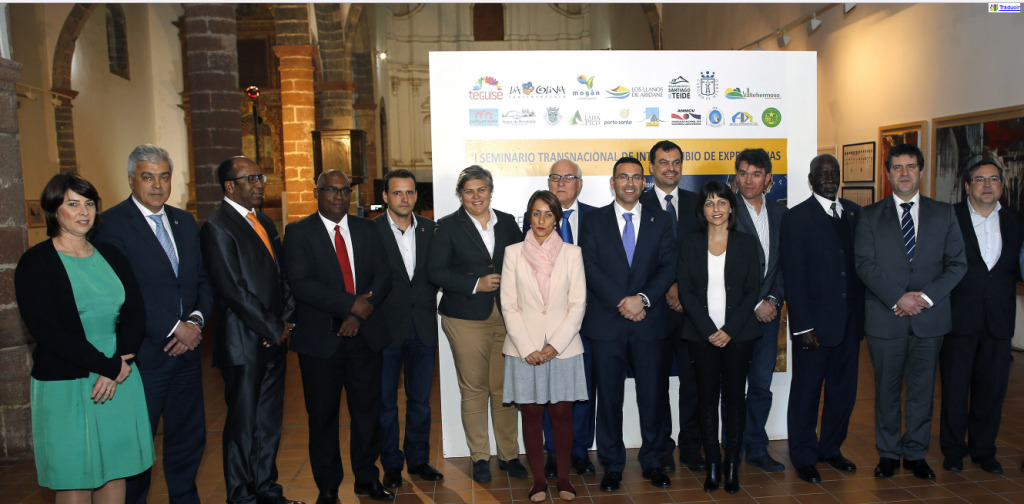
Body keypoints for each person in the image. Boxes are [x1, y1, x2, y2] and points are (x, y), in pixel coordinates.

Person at [15, 173, 154, 504]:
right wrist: (105, 366)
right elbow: (48, 332)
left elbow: (135, 314)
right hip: (67, 381)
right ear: (54, 210)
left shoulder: (111, 254)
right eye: (73, 204)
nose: (83, 212)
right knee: (75, 476)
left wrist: (118, 362)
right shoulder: (36, 262)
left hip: (119, 377)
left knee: (116, 470)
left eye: (89, 204)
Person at [94, 144, 213, 504]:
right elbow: (124, 291)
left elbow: (201, 278)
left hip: (187, 352)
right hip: (144, 356)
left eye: (164, 176)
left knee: (188, 437)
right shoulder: (111, 225)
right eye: (148, 177)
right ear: (131, 179)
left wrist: (194, 322)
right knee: (137, 443)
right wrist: (173, 327)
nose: (157, 185)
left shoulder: (184, 221)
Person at [855, 143, 966, 480]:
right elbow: (864, 264)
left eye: (910, 166)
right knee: (886, 392)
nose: (904, 173)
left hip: (929, 320)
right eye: (897, 167)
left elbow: (957, 264)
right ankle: (888, 453)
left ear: (921, 171)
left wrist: (925, 298)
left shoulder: (944, 213)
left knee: (922, 392)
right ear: (888, 173)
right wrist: (898, 298)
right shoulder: (870, 216)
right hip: (886, 318)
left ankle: (916, 453)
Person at [284, 169, 394, 502]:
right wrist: (350, 305)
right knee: (322, 418)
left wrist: (358, 315)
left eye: (345, 190)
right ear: (316, 192)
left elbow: (383, 275)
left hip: (365, 339)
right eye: (331, 190)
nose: (338, 196)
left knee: (367, 414)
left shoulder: (367, 229)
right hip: (320, 343)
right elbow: (301, 283)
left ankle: (366, 478)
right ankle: (328, 487)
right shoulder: (298, 232)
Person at [201, 156, 300, 504]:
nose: (259, 184)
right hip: (243, 343)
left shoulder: (264, 221)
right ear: (229, 186)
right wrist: (272, 327)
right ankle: (241, 495)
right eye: (251, 179)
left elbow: (282, 276)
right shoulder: (217, 227)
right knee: (243, 424)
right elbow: (234, 289)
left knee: (268, 421)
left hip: (274, 338)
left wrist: (286, 321)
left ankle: (266, 488)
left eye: (260, 177)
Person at [579, 156, 676, 492]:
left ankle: (654, 461)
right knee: (608, 399)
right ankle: (612, 465)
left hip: (650, 323)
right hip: (607, 325)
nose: (630, 183)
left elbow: (668, 265)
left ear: (644, 183)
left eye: (636, 177)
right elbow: (589, 266)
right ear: (613, 182)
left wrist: (643, 300)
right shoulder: (593, 221)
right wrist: (623, 302)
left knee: (653, 396)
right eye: (623, 177)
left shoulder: (661, 220)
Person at [428, 165, 526, 483]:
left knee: (504, 390)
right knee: (474, 390)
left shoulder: (508, 222)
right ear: (460, 195)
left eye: (481, 189)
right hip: (465, 318)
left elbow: (522, 262)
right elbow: (436, 272)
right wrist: (475, 284)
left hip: (506, 317)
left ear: (490, 191)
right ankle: (480, 457)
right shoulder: (446, 227)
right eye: (468, 191)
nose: (476, 196)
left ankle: (509, 455)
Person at [779, 154, 864, 484]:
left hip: (849, 324)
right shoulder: (797, 217)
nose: (830, 179)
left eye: (834, 173)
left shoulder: (854, 213)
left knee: (843, 393)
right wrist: (802, 326)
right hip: (812, 327)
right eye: (823, 174)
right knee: (806, 393)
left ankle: (831, 448)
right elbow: (794, 275)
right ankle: (803, 455)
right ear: (811, 180)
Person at [502, 190, 588, 503]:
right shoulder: (513, 253)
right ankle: (539, 481)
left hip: (563, 347)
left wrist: (554, 345)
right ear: (529, 216)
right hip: (524, 348)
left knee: (562, 413)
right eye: (536, 213)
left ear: (557, 219)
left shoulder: (572, 253)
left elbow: (577, 304)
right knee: (531, 413)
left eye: (548, 214)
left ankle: (563, 478)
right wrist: (528, 347)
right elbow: (509, 304)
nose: (541, 220)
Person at [677, 179, 760, 494]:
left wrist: (729, 331)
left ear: (731, 207)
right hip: (702, 336)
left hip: (738, 337)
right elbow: (686, 291)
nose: (716, 208)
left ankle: (732, 466)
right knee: (707, 400)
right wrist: (710, 331)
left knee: (735, 401)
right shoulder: (689, 243)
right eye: (709, 202)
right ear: (702, 209)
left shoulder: (746, 243)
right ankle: (713, 465)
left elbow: (752, 290)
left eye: (722, 202)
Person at [942, 159, 1023, 474]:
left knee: (992, 390)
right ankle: (953, 450)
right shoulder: (950, 218)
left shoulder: (1015, 220)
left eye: (993, 179)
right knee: (954, 389)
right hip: (959, 319)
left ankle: (983, 450)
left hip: (999, 319)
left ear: (1001, 185)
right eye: (979, 179)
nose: (987, 185)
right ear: (967, 186)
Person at [523, 159, 598, 477]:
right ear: (548, 183)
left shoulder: (599, 218)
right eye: (555, 177)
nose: (561, 183)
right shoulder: (529, 223)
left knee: (582, 389)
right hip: (544, 323)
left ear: (579, 184)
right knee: (548, 390)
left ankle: (579, 451)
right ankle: (554, 452)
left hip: (589, 319)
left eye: (569, 177)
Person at [373, 169, 445, 488]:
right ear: (385, 196)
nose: (404, 198)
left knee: (420, 402)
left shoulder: (431, 230)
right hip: (385, 330)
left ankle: (418, 461)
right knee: (385, 403)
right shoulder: (370, 230)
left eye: (410, 192)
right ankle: (391, 464)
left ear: (417, 195)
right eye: (397, 192)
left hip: (423, 329)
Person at [637, 140, 705, 473]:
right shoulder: (638, 204)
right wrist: (666, 289)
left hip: (692, 311)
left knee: (693, 382)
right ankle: (661, 446)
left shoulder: (698, 203)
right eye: (663, 162)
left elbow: (705, 254)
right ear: (651, 167)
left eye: (676, 162)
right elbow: (638, 259)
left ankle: (691, 445)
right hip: (654, 310)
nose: (671, 168)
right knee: (656, 384)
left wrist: (684, 292)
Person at [732, 148, 787, 473]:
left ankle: (756, 447)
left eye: (755, 174)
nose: (748, 180)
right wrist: (754, 303)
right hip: (735, 316)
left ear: (768, 178)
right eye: (743, 173)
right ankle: (733, 447)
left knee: (761, 385)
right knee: (733, 386)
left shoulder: (780, 213)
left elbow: (784, 265)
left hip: (769, 317)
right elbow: (722, 267)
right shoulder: (725, 210)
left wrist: (773, 301)